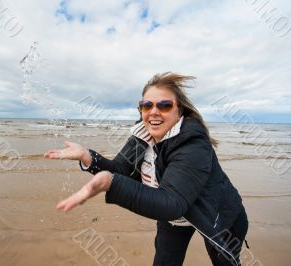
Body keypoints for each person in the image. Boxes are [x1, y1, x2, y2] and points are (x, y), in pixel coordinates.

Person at [44, 72, 248, 266]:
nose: (154, 111)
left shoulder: (193, 145)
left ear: (180, 111)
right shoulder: (142, 136)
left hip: (217, 214)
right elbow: (119, 169)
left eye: (165, 105)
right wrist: (87, 156)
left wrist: (110, 183)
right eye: (146, 105)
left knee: (224, 261)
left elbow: (172, 202)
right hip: (174, 221)